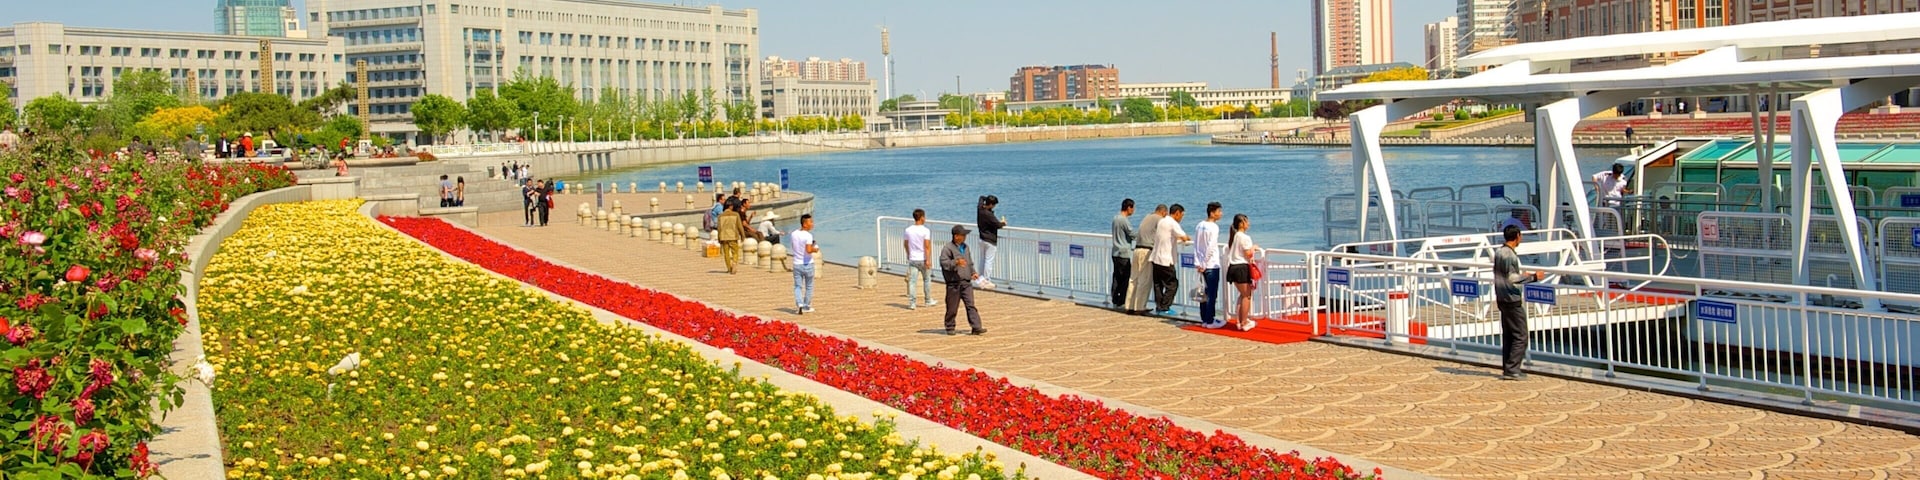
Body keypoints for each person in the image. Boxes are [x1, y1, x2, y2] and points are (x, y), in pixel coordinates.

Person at [1495, 225, 1543, 381]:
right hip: (1511, 299)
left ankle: (1508, 367)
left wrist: (1522, 275)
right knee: (1521, 335)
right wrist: (1534, 277)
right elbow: (1512, 278)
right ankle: (1513, 369)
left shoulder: (1499, 252)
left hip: (1501, 297)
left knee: (1509, 335)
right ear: (1517, 236)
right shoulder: (1509, 255)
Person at [939, 225, 985, 335]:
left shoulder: (966, 247)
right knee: (952, 307)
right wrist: (956, 262)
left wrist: (973, 272)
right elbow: (944, 263)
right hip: (953, 283)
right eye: (963, 235)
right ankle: (950, 326)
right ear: (956, 236)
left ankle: (976, 326)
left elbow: (969, 262)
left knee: (970, 305)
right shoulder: (948, 248)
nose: (965, 237)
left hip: (966, 282)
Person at [1125, 204, 1167, 314]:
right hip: (1147, 250)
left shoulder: (1148, 216)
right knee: (1145, 279)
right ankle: (1139, 306)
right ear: (1163, 212)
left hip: (1137, 249)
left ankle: (1129, 305)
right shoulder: (1159, 220)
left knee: (1133, 278)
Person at [1151, 204, 1192, 316]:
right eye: (1181, 215)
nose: (1181, 218)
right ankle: (1165, 307)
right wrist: (1187, 238)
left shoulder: (1162, 221)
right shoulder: (1173, 223)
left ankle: (1159, 306)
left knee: (1158, 284)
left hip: (1156, 257)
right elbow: (1184, 236)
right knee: (1172, 284)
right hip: (1165, 259)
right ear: (1177, 213)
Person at [1225, 214, 1260, 331]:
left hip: (1233, 267)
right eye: (1246, 221)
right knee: (1247, 296)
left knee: (1242, 295)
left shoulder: (1235, 236)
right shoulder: (1244, 237)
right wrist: (1254, 248)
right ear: (1241, 224)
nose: (1248, 224)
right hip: (1241, 268)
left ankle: (1240, 321)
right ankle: (1244, 322)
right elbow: (1248, 253)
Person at [1194, 202, 1224, 328]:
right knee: (1212, 293)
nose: (1221, 214)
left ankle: (1205, 319)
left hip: (1202, 264)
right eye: (1219, 211)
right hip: (1211, 264)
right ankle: (1210, 320)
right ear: (1212, 213)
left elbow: (1196, 245)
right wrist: (1205, 263)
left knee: (1204, 293)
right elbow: (1211, 246)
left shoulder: (1199, 225)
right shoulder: (1213, 227)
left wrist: (1198, 262)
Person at [903, 209, 936, 310]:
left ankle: (912, 303)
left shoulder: (908, 230)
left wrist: (908, 254)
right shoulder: (925, 230)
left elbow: (905, 244)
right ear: (922, 217)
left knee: (912, 281)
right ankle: (928, 300)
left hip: (913, 259)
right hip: (923, 258)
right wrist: (928, 259)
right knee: (927, 279)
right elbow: (927, 246)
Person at [974, 195, 1007, 289]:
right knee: (989, 261)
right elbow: (998, 225)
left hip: (982, 238)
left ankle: (980, 279)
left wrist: (986, 198)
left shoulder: (980, 208)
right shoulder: (989, 215)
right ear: (991, 204)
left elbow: (980, 197)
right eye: (994, 205)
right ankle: (987, 280)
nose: (994, 207)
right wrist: (1003, 223)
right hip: (990, 240)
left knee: (982, 259)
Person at [1110, 199, 1136, 307]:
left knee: (1116, 277)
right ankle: (1122, 299)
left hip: (1115, 252)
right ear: (1129, 207)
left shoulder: (1115, 218)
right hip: (1124, 253)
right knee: (1126, 278)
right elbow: (1132, 234)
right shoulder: (1124, 220)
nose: (1133, 210)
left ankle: (1115, 298)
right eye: (1133, 208)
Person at [790, 214, 819, 314]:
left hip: (796, 264)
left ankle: (799, 304)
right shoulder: (808, 236)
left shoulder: (794, 233)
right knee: (809, 286)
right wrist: (815, 249)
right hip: (807, 264)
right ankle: (806, 306)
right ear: (805, 224)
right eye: (810, 222)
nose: (812, 224)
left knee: (798, 286)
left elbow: (794, 246)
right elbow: (808, 250)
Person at [717, 198, 745, 274]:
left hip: (724, 237)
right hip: (733, 236)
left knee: (726, 254)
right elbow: (740, 226)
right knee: (735, 252)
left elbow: (719, 228)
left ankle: (729, 268)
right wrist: (743, 235)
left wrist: (719, 238)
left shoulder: (720, 216)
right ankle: (734, 263)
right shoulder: (736, 214)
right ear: (730, 206)